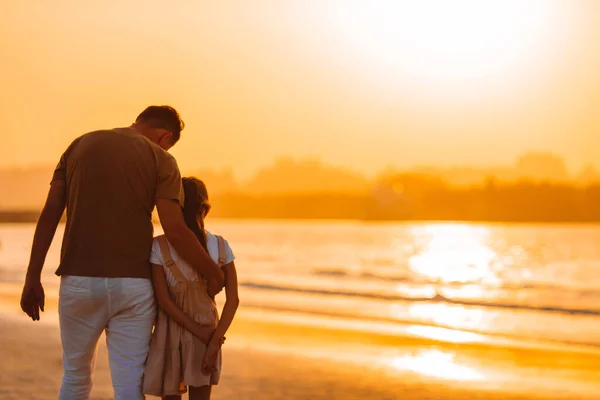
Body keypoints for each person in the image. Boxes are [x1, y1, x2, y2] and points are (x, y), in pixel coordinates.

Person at [19, 106, 225, 400]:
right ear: (165, 136)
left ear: (138, 121)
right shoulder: (162, 158)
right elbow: (176, 230)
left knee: (76, 375)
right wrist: (213, 271)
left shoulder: (79, 145)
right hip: (133, 285)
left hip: (79, 281)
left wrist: (32, 278)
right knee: (129, 381)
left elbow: (52, 210)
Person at [144, 177, 239, 400]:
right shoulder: (221, 245)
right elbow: (233, 300)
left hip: (171, 329)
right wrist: (214, 341)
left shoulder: (159, 245)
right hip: (207, 333)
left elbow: (163, 300)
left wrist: (199, 332)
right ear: (205, 209)